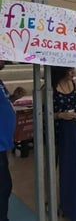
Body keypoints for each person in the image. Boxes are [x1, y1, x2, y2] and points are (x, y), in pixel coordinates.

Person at [0, 60, 26, 221]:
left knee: (4, 186)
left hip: (4, 143)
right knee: (3, 186)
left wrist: (14, 97)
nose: (4, 58)